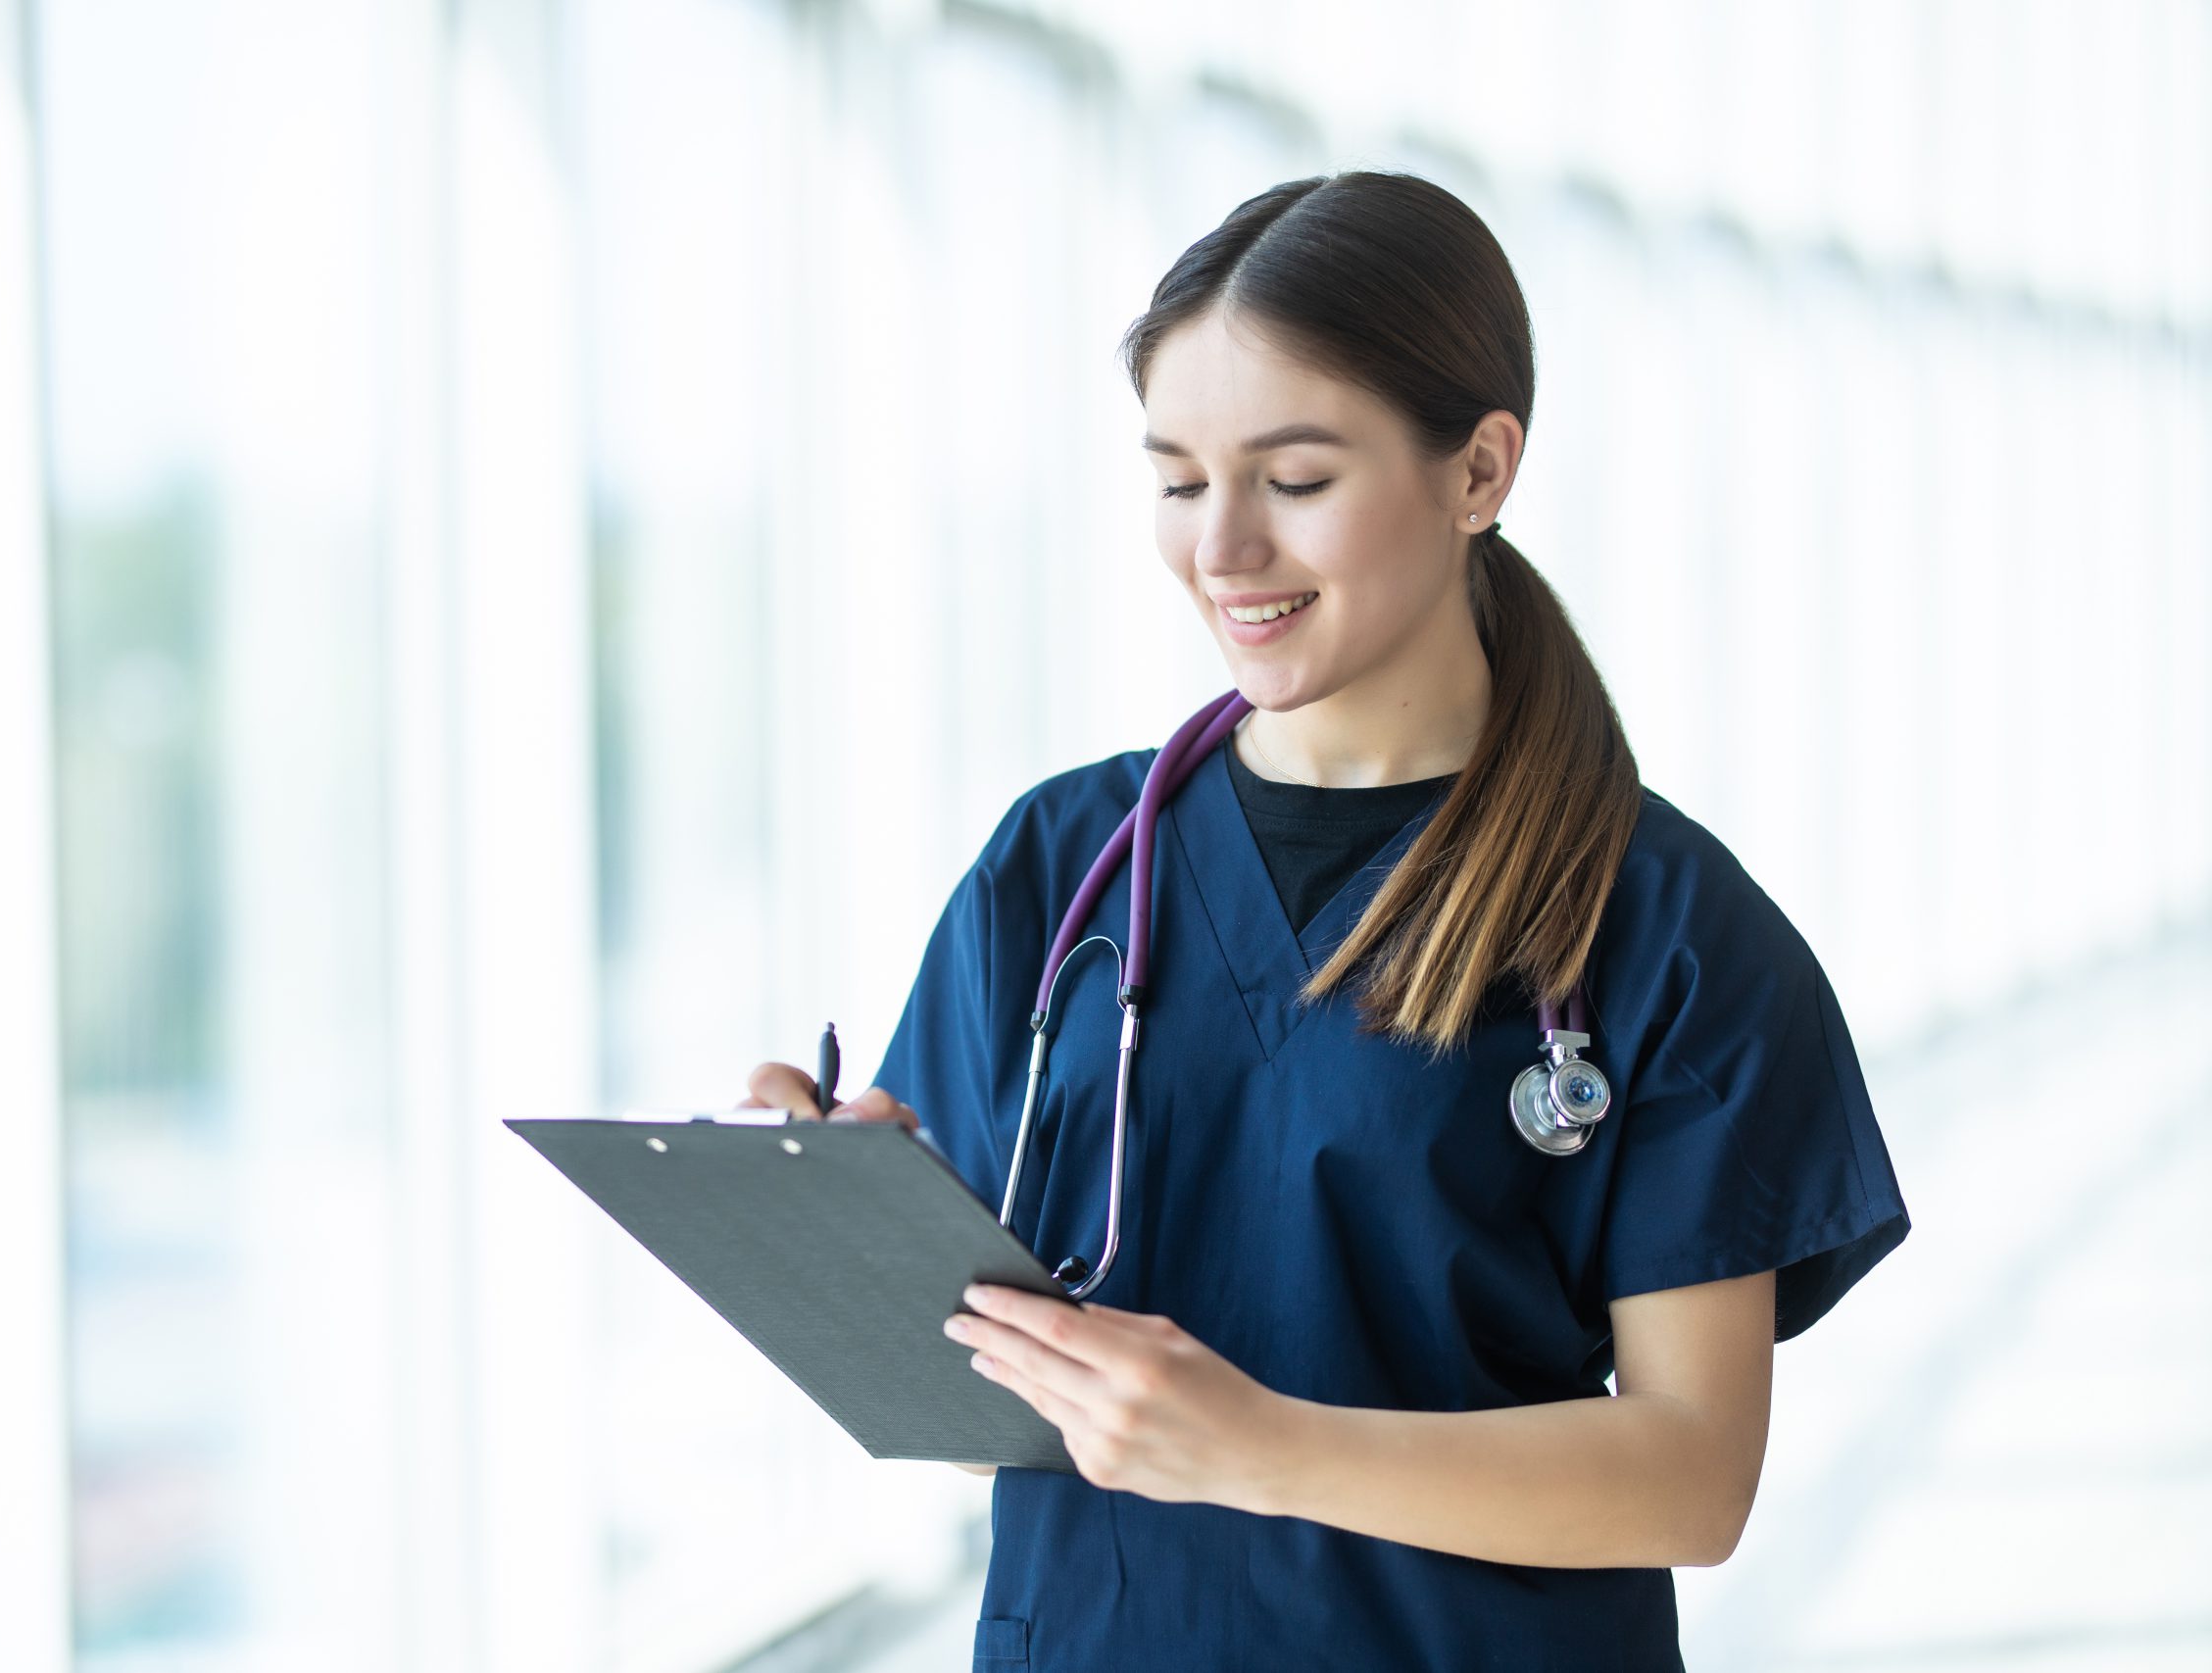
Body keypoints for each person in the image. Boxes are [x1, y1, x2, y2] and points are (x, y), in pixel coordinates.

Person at [740, 169, 1908, 1672]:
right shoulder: (1059, 868)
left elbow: (1691, 1479)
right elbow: (983, 1427)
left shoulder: (1664, 926)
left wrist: (1262, 1447)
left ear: (1480, 471)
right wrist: (829, 1229)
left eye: (1294, 482)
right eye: (1177, 478)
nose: (1220, 548)